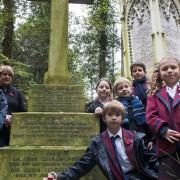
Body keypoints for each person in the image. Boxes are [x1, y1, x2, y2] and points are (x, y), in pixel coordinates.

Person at [43, 100, 158, 180]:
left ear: (122, 118)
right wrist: (59, 177)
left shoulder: (135, 137)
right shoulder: (97, 143)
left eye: (117, 115)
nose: (113, 117)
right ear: (103, 118)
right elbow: (82, 165)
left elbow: (151, 159)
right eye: (110, 114)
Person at [146, 57, 180, 180]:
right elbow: (151, 117)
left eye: (173, 67)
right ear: (159, 73)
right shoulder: (154, 94)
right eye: (165, 69)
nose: (169, 71)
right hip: (167, 148)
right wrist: (163, 130)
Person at [114, 77, 153, 149]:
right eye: (120, 88)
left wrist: (150, 139)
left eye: (126, 86)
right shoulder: (116, 105)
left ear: (131, 88)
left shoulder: (139, 102)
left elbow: (146, 123)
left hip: (142, 135)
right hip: (124, 137)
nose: (124, 89)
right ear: (116, 92)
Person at [0, 65, 26, 147]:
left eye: (9, 75)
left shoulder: (16, 93)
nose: (7, 77)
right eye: (4, 74)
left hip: (13, 133)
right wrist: (4, 117)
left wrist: (14, 119)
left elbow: (23, 112)